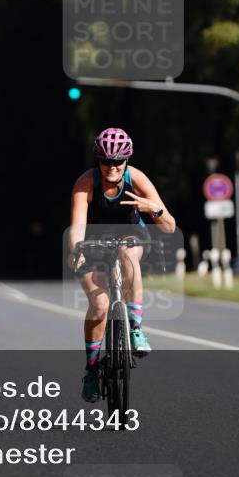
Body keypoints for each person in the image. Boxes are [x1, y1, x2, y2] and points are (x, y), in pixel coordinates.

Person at [68, 128, 176, 403]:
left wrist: (154, 209)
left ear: (126, 160)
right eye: (106, 161)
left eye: (118, 161)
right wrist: (76, 250)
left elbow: (169, 226)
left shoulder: (136, 178)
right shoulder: (86, 183)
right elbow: (77, 226)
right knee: (100, 305)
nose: (113, 167)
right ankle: (91, 371)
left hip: (131, 236)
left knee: (127, 253)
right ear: (98, 160)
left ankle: (136, 327)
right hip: (93, 243)